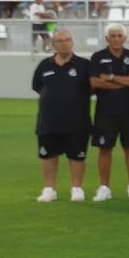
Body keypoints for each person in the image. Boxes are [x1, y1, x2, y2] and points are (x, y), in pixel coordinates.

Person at [33, 28, 92, 202]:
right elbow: (37, 86)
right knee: (48, 155)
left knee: (77, 156)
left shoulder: (84, 65)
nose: (64, 43)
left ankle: (76, 188)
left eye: (67, 40)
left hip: (77, 121)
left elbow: (92, 88)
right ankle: (49, 189)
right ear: (53, 44)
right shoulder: (44, 65)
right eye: (60, 41)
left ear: (72, 43)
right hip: (49, 121)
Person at [90, 23, 129, 201]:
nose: (116, 39)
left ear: (125, 38)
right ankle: (104, 187)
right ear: (106, 38)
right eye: (112, 36)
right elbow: (94, 83)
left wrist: (112, 79)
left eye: (119, 36)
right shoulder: (98, 57)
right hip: (105, 111)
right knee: (105, 149)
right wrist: (125, 82)